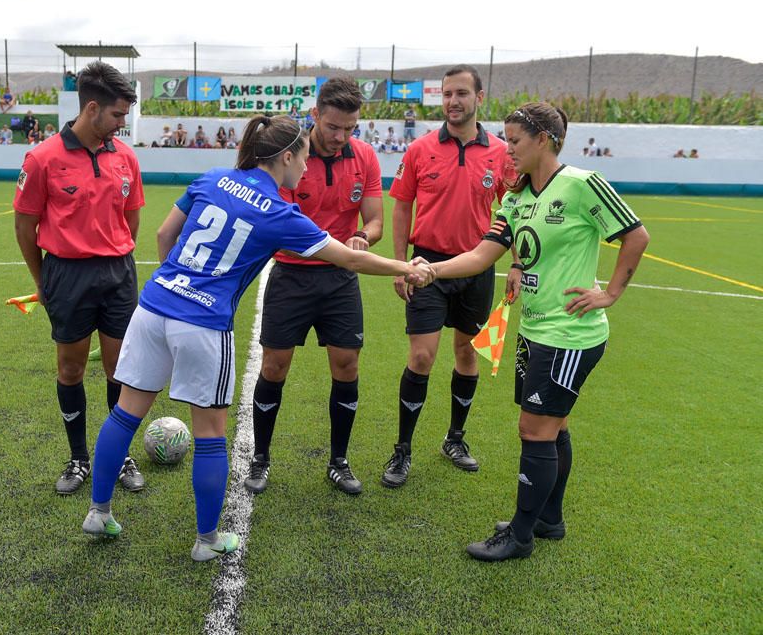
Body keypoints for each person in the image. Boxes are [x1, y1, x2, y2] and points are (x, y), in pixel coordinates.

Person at [81, 114, 433, 560]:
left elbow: (163, 234)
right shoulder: (281, 214)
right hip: (203, 323)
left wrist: (179, 284)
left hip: (153, 308)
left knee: (126, 413)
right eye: (303, 158)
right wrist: (406, 267)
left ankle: (98, 511)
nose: (305, 168)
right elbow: (350, 259)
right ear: (286, 156)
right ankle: (207, 541)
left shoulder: (212, 178)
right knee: (210, 432)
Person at [428, 101, 649, 561]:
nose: (507, 150)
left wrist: (609, 293)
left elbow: (636, 235)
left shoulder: (582, 184)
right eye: (506, 140)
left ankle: (521, 535)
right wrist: (431, 271)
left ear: (542, 139)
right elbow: (481, 255)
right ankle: (549, 518)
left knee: (534, 430)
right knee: (552, 425)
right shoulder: (515, 197)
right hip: (534, 331)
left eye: (514, 141)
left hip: (568, 336)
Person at [13, 62, 148, 497]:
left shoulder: (125, 157)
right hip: (66, 275)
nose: (122, 123)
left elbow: (132, 219)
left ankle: (119, 454)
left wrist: (118, 255)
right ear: (92, 108)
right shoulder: (43, 158)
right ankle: (78, 458)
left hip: (117, 275)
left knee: (119, 370)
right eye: (117, 115)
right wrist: (43, 279)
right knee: (70, 368)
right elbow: (24, 224)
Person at [244, 77, 383, 496]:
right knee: (274, 367)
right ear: (316, 115)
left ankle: (338, 461)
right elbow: (278, 227)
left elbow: (375, 219)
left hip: (341, 279)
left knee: (347, 366)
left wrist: (364, 236)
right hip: (291, 275)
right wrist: (341, 249)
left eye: (350, 128)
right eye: (334, 127)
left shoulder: (365, 157)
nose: (342, 136)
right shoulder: (289, 156)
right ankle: (261, 458)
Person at [381, 64, 516, 488]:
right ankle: (402, 449)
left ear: (480, 98)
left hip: (478, 266)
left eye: (461, 93)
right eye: (446, 94)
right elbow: (402, 205)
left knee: (467, 353)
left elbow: (515, 211)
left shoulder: (499, 152)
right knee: (421, 357)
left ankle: (455, 438)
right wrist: (402, 264)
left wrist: (516, 262)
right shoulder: (421, 149)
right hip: (426, 267)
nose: (452, 102)